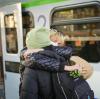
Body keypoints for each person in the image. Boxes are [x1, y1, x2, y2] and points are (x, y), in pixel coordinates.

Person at [19, 27, 94, 99]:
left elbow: (28, 94)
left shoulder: (31, 66)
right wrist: (76, 73)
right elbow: (70, 78)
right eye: (55, 42)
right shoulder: (66, 60)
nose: (58, 43)